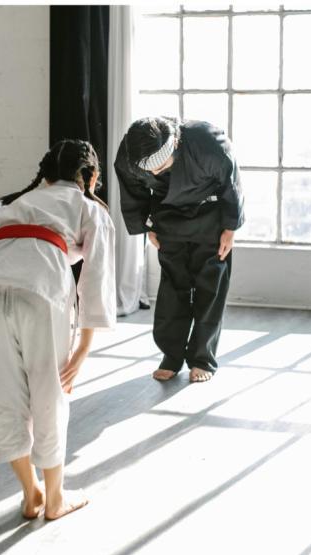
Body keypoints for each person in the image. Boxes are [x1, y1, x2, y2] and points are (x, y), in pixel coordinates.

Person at [0, 139, 116, 521]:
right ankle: (56, 499)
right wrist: (82, 350)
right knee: (49, 392)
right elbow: (95, 280)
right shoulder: (87, 206)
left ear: (44, 175)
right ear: (90, 176)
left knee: (2, 396)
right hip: (40, 288)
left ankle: (31, 495)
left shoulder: (8, 203)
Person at [114, 117, 244, 383]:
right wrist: (147, 225)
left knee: (211, 286)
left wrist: (230, 228)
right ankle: (171, 356)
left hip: (211, 214)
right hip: (167, 215)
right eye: (149, 171)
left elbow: (232, 185)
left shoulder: (208, 143)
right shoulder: (129, 155)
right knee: (173, 285)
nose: (156, 173)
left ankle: (202, 358)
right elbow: (134, 193)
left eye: (161, 166)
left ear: (174, 144)